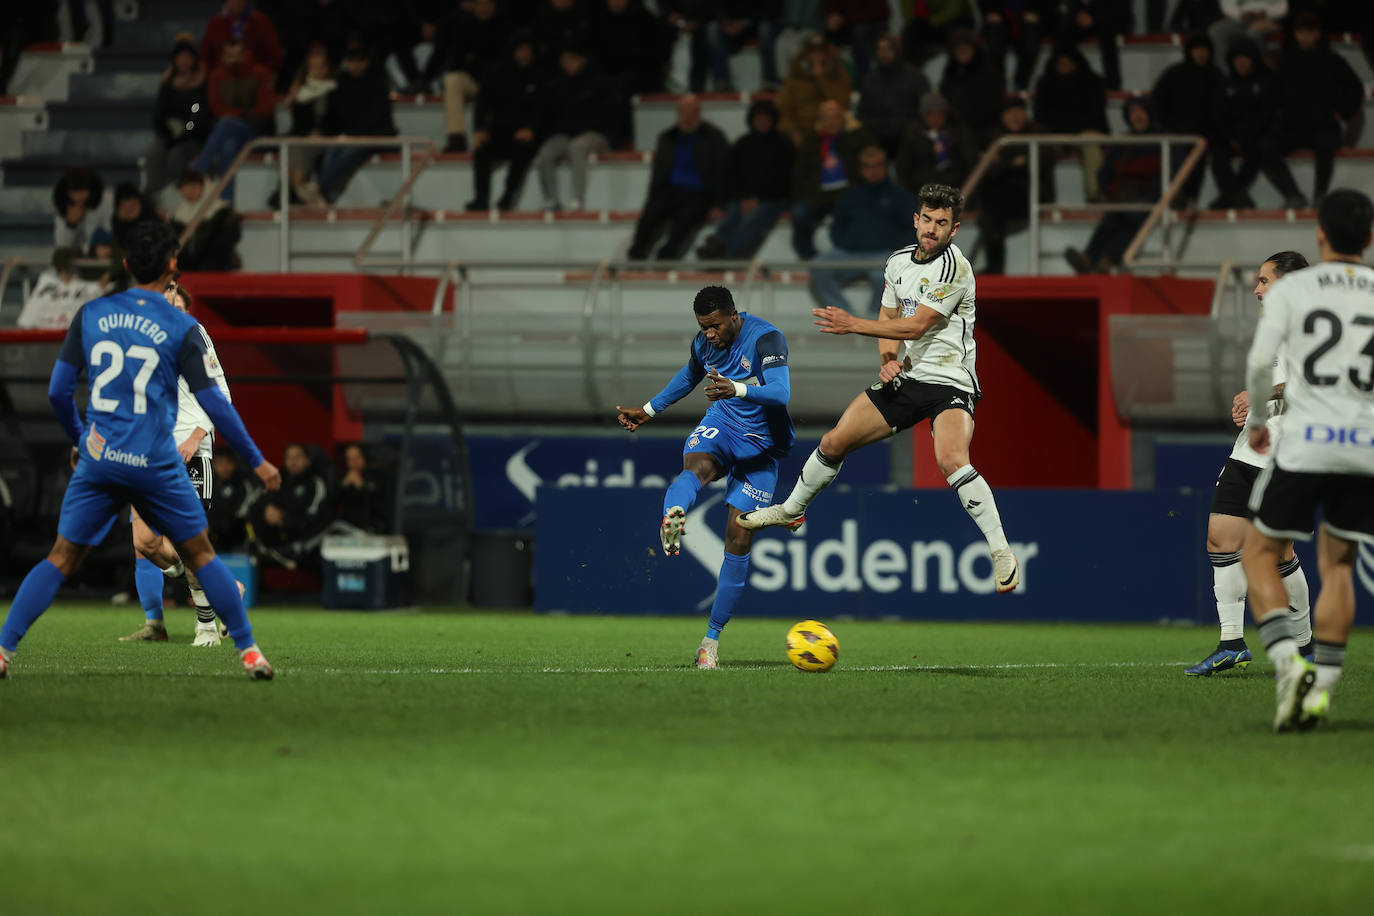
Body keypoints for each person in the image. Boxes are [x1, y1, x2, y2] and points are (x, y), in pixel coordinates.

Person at [0, 221, 281, 681]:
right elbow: (216, 404)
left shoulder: (91, 314)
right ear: (173, 267)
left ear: (126, 265)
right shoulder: (181, 324)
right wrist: (256, 459)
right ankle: (250, 653)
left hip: (103, 456)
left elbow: (58, 392)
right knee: (201, 554)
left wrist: (80, 439)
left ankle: (3, 651)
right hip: (155, 459)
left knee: (61, 558)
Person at [738, 183, 1020, 595]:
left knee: (951, 458)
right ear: (915, 220)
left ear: (954, 229)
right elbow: (890, 316)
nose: (932, 229)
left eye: (942, 223)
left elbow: (916, 325)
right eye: (927, 219)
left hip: (950, 380)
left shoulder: (954, 269)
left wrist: (853, 324)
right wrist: (887, 358)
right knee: (834, 441)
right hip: (908, 377)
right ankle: (791, 511)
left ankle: (1000, 551)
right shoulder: (898, 263)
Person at [1239, 188, 1374, 731]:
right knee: (1337, 563)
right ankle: (1324, 690)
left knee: (1259, 552)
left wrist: (1255, 426)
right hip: (1362, 448)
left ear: (1320, 234)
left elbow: (1257, 363)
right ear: (1368, 238)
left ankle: (1287, 666)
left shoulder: (1296, 290)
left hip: (1305, 442)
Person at [615, 286, 794, 669]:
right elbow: (690, 374)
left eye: (715, 326)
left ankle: (709, 642)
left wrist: (739, 388)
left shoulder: (766, 338)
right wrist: (649, 409)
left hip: (762, 447)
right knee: (694, 468)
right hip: (723, 423)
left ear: (733, 314)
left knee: (738, 537)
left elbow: (781, 393)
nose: (709, 334)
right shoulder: (704, 343)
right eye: (703, 327)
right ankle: (673, 515)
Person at [1185, 251, 1312, 676]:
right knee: (1221, 537)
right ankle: (1231, 642)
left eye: (1264, 280)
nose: (1257, 288)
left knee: (1279, 553)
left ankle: (1304, 645)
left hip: (1290, 452)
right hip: (1250, 448)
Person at [120, 281, 239, 647]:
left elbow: (221, 393)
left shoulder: (192, 333)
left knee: (188, 543)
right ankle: (222, 588)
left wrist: (194, 437)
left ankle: (206, 626)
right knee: (145, 542)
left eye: (171, 291)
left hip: (189, 449)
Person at [1258, 12, 1363, 210]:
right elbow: (1274, 92)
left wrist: (1340, 109)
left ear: (1318, 34)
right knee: (1264, 147)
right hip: (1292, 127)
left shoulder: (1332, 60)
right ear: (1295, 34)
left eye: (1309, 32)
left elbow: (1354, 89)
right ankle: (1293, 195)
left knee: (1325, 144)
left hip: (1324, 126)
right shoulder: (1285, 61)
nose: (1304, 37)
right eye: (1300, 32)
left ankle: (1320, 196)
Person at [809, 145, 919, 315]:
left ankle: (875, 321)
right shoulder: (850, 195)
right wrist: (847, 243)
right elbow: (836, 227)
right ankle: (843, 315)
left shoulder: (901, 196)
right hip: (850, 254)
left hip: (885, 255)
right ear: (861, 169)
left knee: (883, 277)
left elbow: (915, 229)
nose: (873, 171)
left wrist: (894, 249)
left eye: (877, 165)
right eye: (867, 166)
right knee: (819, 267)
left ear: (885, 167)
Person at [1064, 97, 1161, 274]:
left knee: (1134, 216)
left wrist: (1154, 193)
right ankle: (1088, 258)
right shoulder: (1122, 142)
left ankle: (1108, 260)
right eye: (1132, 112)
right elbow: (1105, 172)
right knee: (1111, 218)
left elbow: (1171, 172)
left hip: (1149, 194)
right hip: (1123, 194)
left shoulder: (1163, 140)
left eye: (1141, 111)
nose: (1137, 116)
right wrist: (1108, 191)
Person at [627, 95, 729, 262]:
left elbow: (722, 172)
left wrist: (719, 204)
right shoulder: (667, 137)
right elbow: (658, 173)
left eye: (691, 113)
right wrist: (652, 197)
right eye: (683, 113)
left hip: (699, 192)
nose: (687, 118)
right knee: (650, 215)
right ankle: (635, 256)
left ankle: (665, 259)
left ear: (698, 114)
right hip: (668, 190)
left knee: (684, 222)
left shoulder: (714, 137)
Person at [531, 44, 626, 212]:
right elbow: (552, 118)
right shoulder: (558, 85)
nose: (566, 64)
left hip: (597, 135)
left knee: (577, 146)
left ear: (582, 60)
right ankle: (551, 200)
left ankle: (577, 199)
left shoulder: (599, 82)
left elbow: (609, 116)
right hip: (566, 134)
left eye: (571, 60)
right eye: (564, 61)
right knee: (545, 152)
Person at [695, 98, 794, 261]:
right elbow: (731, 175)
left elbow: (785, 180)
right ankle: (717, 245)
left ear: (773, 120)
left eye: (766, 118)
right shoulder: (742, 144)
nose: (762, 122)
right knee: (732, 212)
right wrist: (743, 198)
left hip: (773, 199)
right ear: (752, 120)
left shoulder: (784, 145)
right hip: (743, 198)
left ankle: (725, 255)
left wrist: (758, 199)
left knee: (751, 219)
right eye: (758, 118)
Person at [466, 32, 545, 213]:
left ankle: (508, 197)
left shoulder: (540, 76)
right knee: (481, 150)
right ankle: (481, 198)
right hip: (500, 132)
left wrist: (531, 128)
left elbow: (544, 110)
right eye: (521, 50)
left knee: (522, 149)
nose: (524, 55)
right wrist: (479, 129)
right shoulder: (499, 73)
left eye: (528, 50)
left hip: (528, 135)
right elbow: (482, 102)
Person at [790, 99, 876, 260]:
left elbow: (872, 164)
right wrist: (801, 195)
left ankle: (849, 255)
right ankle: (808, 257)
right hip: (818, 194)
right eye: (826, 117)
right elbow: (800, 173)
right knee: (799, 214)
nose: (831, 121)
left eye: (835, 116)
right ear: (820, 121)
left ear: (843, 118)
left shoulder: (858, 137)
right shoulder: (811, 140)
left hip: (848, 192)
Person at [976, 99, 1054, 275]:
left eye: (1019, 111)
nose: (1015, 116)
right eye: (1010, 112)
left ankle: (995, 268)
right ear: (1003, 117)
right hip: (1001, 197)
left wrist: (1004, 163)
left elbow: (1039, 164)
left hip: (1031, 193)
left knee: (995, 203)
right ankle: (995, 268)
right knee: (990, 208)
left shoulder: (1037, 134)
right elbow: (989, 171)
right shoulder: (995, 136)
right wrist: (1013, 163)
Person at [194, 37, 276, 202]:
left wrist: (236, 115)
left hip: (256, 132)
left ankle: (197, 172)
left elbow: (265, 108)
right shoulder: (216, 76)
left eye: (239, 54)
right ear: (223, 57)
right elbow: (216, 107)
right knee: (227, 145)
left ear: (247, 54)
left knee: (226, 123)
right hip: (230, 133)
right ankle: (228, 200)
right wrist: (242, 113)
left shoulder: (261, 73)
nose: (235, 59)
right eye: (230, 55)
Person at [317, 43, 396, 204]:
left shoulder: (377, 83)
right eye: (352, 60)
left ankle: (319, 192)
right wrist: (329, 133)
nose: (356, 65)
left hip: (374, 135)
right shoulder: (340, 83)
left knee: (350, 151)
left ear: (367, 62)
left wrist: (354, 135)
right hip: (349, 135)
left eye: (361, 61)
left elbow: (377, 118)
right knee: (332, 151)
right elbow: (333, 116)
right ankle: (322, 195)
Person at [1150, 32, 1221, 210]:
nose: (1201, 53)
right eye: (1197, 49)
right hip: (1175, 134)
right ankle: (1175, 197)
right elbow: (1156, 103)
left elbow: (1222, 110)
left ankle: (1190, 199)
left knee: (1201, 154)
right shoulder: (1173, 74)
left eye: (1204, 49)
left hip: (1204, 136)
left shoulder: (1216, 76)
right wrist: (1164, 128)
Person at [1206, 37, 1273, 210]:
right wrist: (1231, 137)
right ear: (1231, 61)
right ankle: (1238, 196)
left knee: (1257, 151)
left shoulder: (1263, 84)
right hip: (1227, 136)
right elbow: (1218, 113)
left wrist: (1245, 134)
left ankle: (1229, 196)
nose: (1242, 62)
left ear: (1252, 60)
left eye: (1245, 58)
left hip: (1254, 136)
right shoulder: (1224, 84)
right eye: (1237, 58)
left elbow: (1265, 114)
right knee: (1217, 152)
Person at [144, 34, 212, 200]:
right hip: (169, 134)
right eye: (180, 57)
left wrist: (184, 132)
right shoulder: (167, 83)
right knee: (153, 153)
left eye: (188, 57)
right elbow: (160, 113)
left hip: (192, 136)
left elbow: (197, 112)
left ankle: (176, 194)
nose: (184, 61)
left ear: (194, 59)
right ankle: (154, 194)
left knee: (176, 155)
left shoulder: (201, 83)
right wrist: (168, 132)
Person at [438, 0, 509, 153]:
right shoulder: (464, 26)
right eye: (480, 3)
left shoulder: (504, 27)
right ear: (473, 6)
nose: (484, 8)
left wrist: (475, 61)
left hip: (496, 84)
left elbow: (505, 63)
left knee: (501, 84)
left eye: (488, 3)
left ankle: (493, 138)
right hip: (473, 81)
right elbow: (457, 60)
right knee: (452, 80)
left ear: (495, 5)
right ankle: (456, 137)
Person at [247, 442, 331, 570]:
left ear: (307, 461)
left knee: (324, 524)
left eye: (298, 457)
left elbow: (313, 517)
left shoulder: (316, 483)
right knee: (254, 514)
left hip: (301, 537)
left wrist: (284, 518)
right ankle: (261, 548)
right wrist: (267, 508)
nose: (293, 462)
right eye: (289, 458)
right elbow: (255, 503)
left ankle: (291, 550)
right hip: (275, 535)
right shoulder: (276, 480)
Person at [856, 33, 929, 160]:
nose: (883, 53)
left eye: (888, 49)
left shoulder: (916, 78)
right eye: (879, 49)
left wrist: (901, 126)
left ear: (898, 51)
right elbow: (862, 113)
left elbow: (924, 112)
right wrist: (876, 126)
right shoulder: (870, 79)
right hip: (875, 138)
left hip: (907, 138)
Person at [896, 91, 978, 194]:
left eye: (939, 114)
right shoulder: (913, 134)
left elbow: (970, 163)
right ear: (923, 115)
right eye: (930, 114)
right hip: (921, 190)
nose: (935, 119)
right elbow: (903, 167)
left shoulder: (959, 132)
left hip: (954, 189)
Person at [776, 35, 851, 146]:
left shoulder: (839, 75)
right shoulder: (795, 78)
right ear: (806, 54)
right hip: (802, 132)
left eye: (821, 51)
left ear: (829, 53)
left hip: (834, 132)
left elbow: (843, 104)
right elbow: (783, 110)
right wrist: (793, 132)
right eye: (813, 51)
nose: (817, 55)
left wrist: (822, 79)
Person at [938, 29, 1004, 150]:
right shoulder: (950, 74)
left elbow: (995, 105)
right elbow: (944, 102)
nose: (962, 51)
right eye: (958, 48)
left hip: (983, 131)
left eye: (966, 47)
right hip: (956, 131)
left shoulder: (989, 73)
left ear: (975, 49)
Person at [200, 0, 283, 76]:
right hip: (223, 79)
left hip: (255, 79)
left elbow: (275, 57)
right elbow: (205, 58)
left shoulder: (261, 22)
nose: (237, 2)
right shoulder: (215, 24)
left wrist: (260, 72)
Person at [208, 447, 261, 551]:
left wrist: (215, 526)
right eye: (220, 463)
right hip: (207, 537)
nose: (224, 467)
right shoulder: (206, 485)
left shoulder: (244, 485)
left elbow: (241, 515)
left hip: (236, 539)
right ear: (213, 465)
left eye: (228, 463)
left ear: (235, 465)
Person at [52, 166, 110, 252]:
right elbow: (62, 246)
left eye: (84, 190)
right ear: (67, 191)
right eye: (75, 191)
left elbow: (109, 232)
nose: (80, 195)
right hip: (72, 261)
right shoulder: (63, 208)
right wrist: (71, 224)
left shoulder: (102, 205)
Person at [335, 443, 391, 533]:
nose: (354, 462)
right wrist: (343, 485)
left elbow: (381, 507)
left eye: (357, 457)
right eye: (349, 459)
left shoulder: (378, 476)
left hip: (374, 528)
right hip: (349, 529)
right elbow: (334, 506)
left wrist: (362, 486)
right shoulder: (343, 478)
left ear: (364, 457)